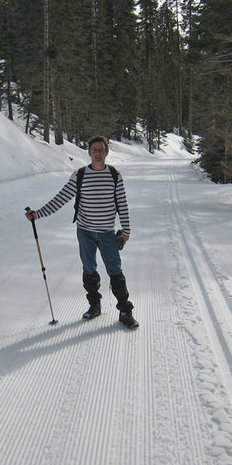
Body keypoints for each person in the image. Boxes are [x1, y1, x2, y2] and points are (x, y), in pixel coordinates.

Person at [25, 136, 138, 329]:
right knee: (89, 269)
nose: (98, 153)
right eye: (95, 150)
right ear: (89, 152)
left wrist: (126, 231)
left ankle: (125, 311)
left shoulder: (114, 175)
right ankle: (95, 305)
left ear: (107, 152)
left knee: (115, 271)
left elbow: (122, 205)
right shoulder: (80, 175)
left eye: (101, 150)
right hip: (85, 231)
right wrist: (38, 214)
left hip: (107, 232)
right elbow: (61, 199)